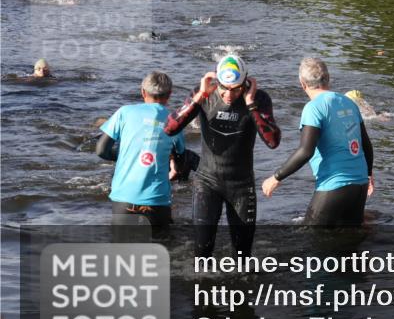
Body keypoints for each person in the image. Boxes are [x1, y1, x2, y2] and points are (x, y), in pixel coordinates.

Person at [165, 54, 281, 257]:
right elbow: (169, 129)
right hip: (207, 181)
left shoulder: (259, 99)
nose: (228, 95)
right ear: (216, 81)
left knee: (243, 256)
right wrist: (199, 96)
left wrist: (251, 105)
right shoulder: (204, 94)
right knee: (202, 252)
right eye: (224, 88)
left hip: (241, 185)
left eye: (235, 89)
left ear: (245, 83)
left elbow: (272, 141)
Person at [262, 58, 374, 225]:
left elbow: (306, 151)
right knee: (350, 245)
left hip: (334, 186)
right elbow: (367, 145)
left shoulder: (313, 108)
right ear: (328, 78)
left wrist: (276, 177)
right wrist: (368, 175)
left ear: (302, 83)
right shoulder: (349, 103)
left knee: (311, 242)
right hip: (360, 185)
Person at [95, 72, 186, 230]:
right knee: (163, 250)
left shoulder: (124, 112)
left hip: (124, 198)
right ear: (170, 95)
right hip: (157, 201)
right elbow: (181, 159)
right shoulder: (175, 120)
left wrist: (123, 155)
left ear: (142, 92)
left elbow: (101, 150)